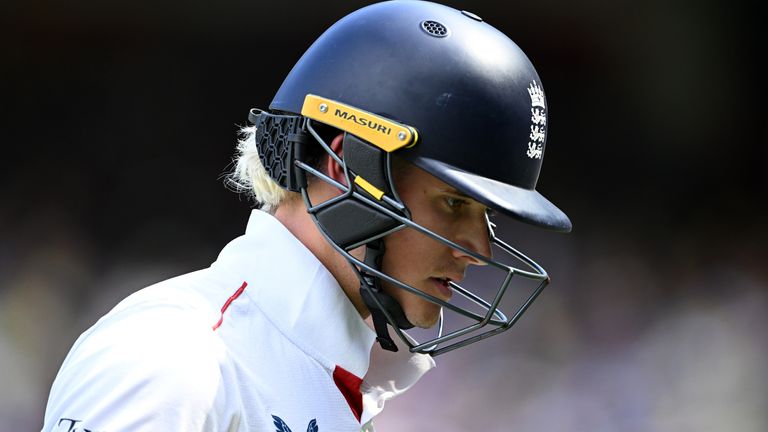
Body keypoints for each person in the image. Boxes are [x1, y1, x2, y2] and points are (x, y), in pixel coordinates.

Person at [42, 1, 571, 431]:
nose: (479, 249)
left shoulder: (333, 378)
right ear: (348, 167)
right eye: (455, 204)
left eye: (485, 214)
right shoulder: (172, 359)